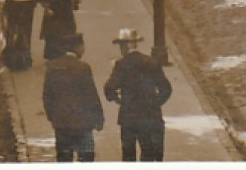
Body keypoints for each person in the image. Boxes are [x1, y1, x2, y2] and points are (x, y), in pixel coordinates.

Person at [102, 28, 173, 161]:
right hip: (150, 116)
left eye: (121, 46)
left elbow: (109, 88)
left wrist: (117, 99)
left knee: (128, 155)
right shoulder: (151, 62)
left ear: (126, 46)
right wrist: (155, 103)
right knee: (149, 153)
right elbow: (166, 89)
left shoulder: (121, 65)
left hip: (129, 116)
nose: (121, 49)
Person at [43, 33, 104, 162]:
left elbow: (47, 96)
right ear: (77, 47)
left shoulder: (52, 67)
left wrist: (53, 117)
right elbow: (91, 95)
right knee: (86, 159)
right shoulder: (83, 67)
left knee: (64, 160)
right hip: (82, 124)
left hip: (62, 124)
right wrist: (99, 117)